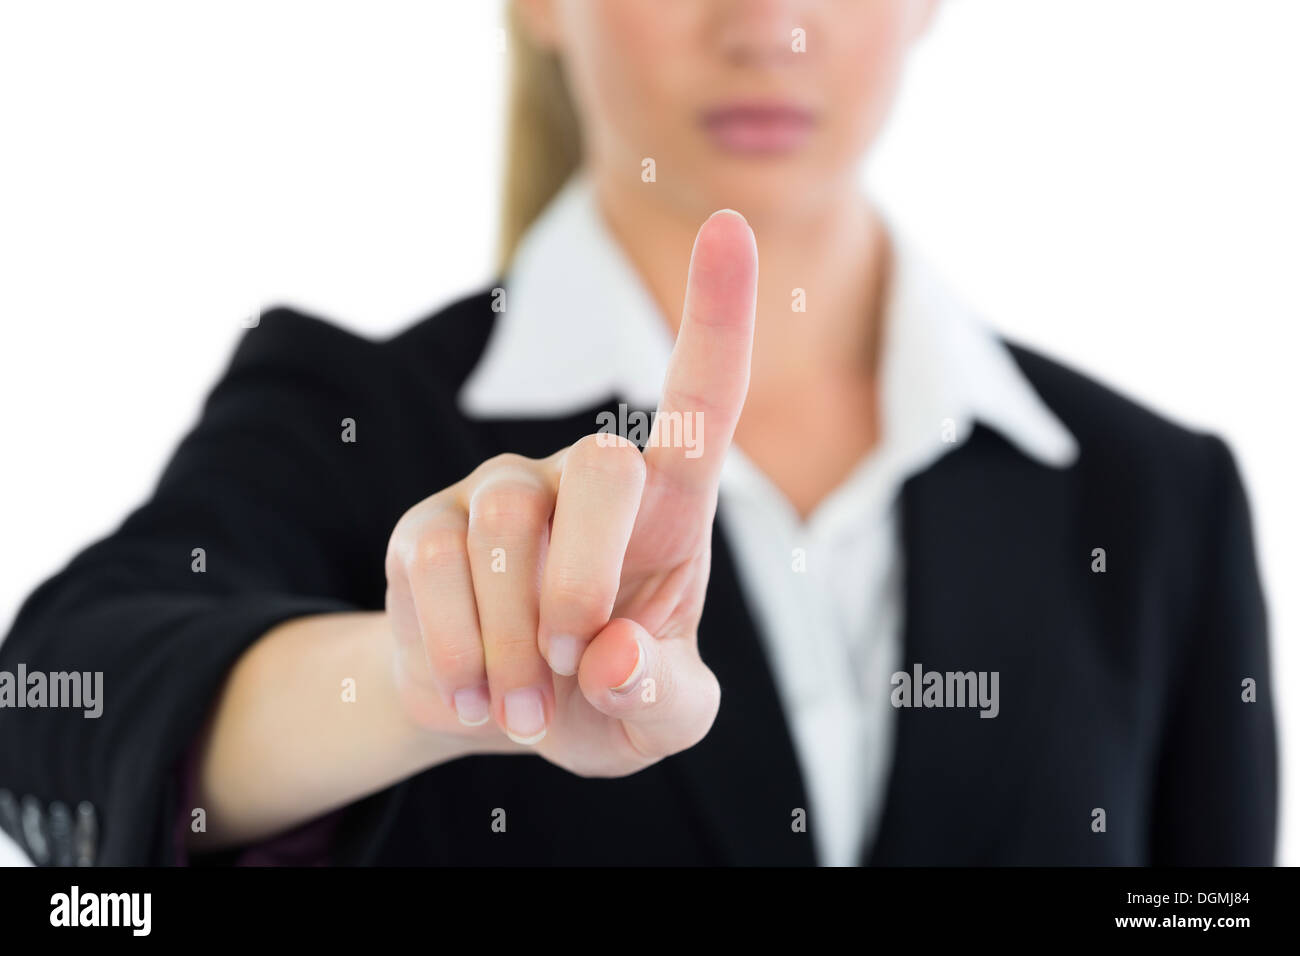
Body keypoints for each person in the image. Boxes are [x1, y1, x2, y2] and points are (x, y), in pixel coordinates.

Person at [0, 0, 1276, 866]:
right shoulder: (349, 419)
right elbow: (53, 705)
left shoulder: (1153, 495)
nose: (766, 26)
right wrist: (424, 674)